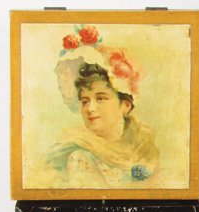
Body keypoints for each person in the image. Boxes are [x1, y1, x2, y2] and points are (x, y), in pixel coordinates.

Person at [46, 25, 158, 188]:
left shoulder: (143, 147)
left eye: (100, 98)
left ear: (125, 105)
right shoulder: (80, 156)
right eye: (85, 101)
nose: (90, 108)